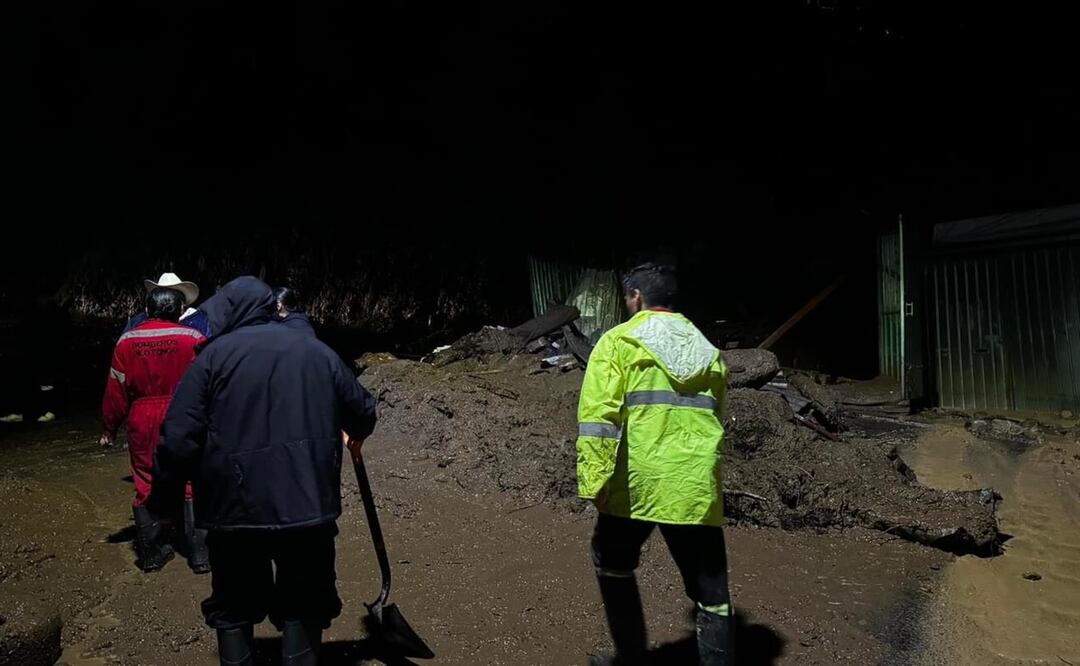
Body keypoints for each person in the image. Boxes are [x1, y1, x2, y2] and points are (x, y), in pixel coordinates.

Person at [149, 276, 377, 666]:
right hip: (307, 507)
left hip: (233, 512)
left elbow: (178, 438)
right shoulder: (316, 351)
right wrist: (348, 429)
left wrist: (165, 500)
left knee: (234, 603)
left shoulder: (211, 359)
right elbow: (363, 412)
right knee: (305, 599)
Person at [576, 263, 732, 666]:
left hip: (637, 483)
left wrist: (594, 482)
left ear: (636, 298)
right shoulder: (707, 350)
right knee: (712, 595)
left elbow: (598, 421)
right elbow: (715, 417)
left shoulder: (618, 343)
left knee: (611, 562)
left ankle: (629, 657)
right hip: (694, 486)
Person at [101, 287, 208, 573]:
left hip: (143, 415)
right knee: (191, 480)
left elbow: (116, 390)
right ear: (179, 311)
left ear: (147, 311)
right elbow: (210, 384)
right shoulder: (194, 338)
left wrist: (109, 428)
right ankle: (199, 555)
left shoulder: (126, 342)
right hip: (184, 413)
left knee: (146, 480)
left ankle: (151, 555)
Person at [123, 272, 212, 338]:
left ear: (182, 303)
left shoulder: (200, 321)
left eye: (171, 297)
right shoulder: (138, 321)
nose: (166, 300)